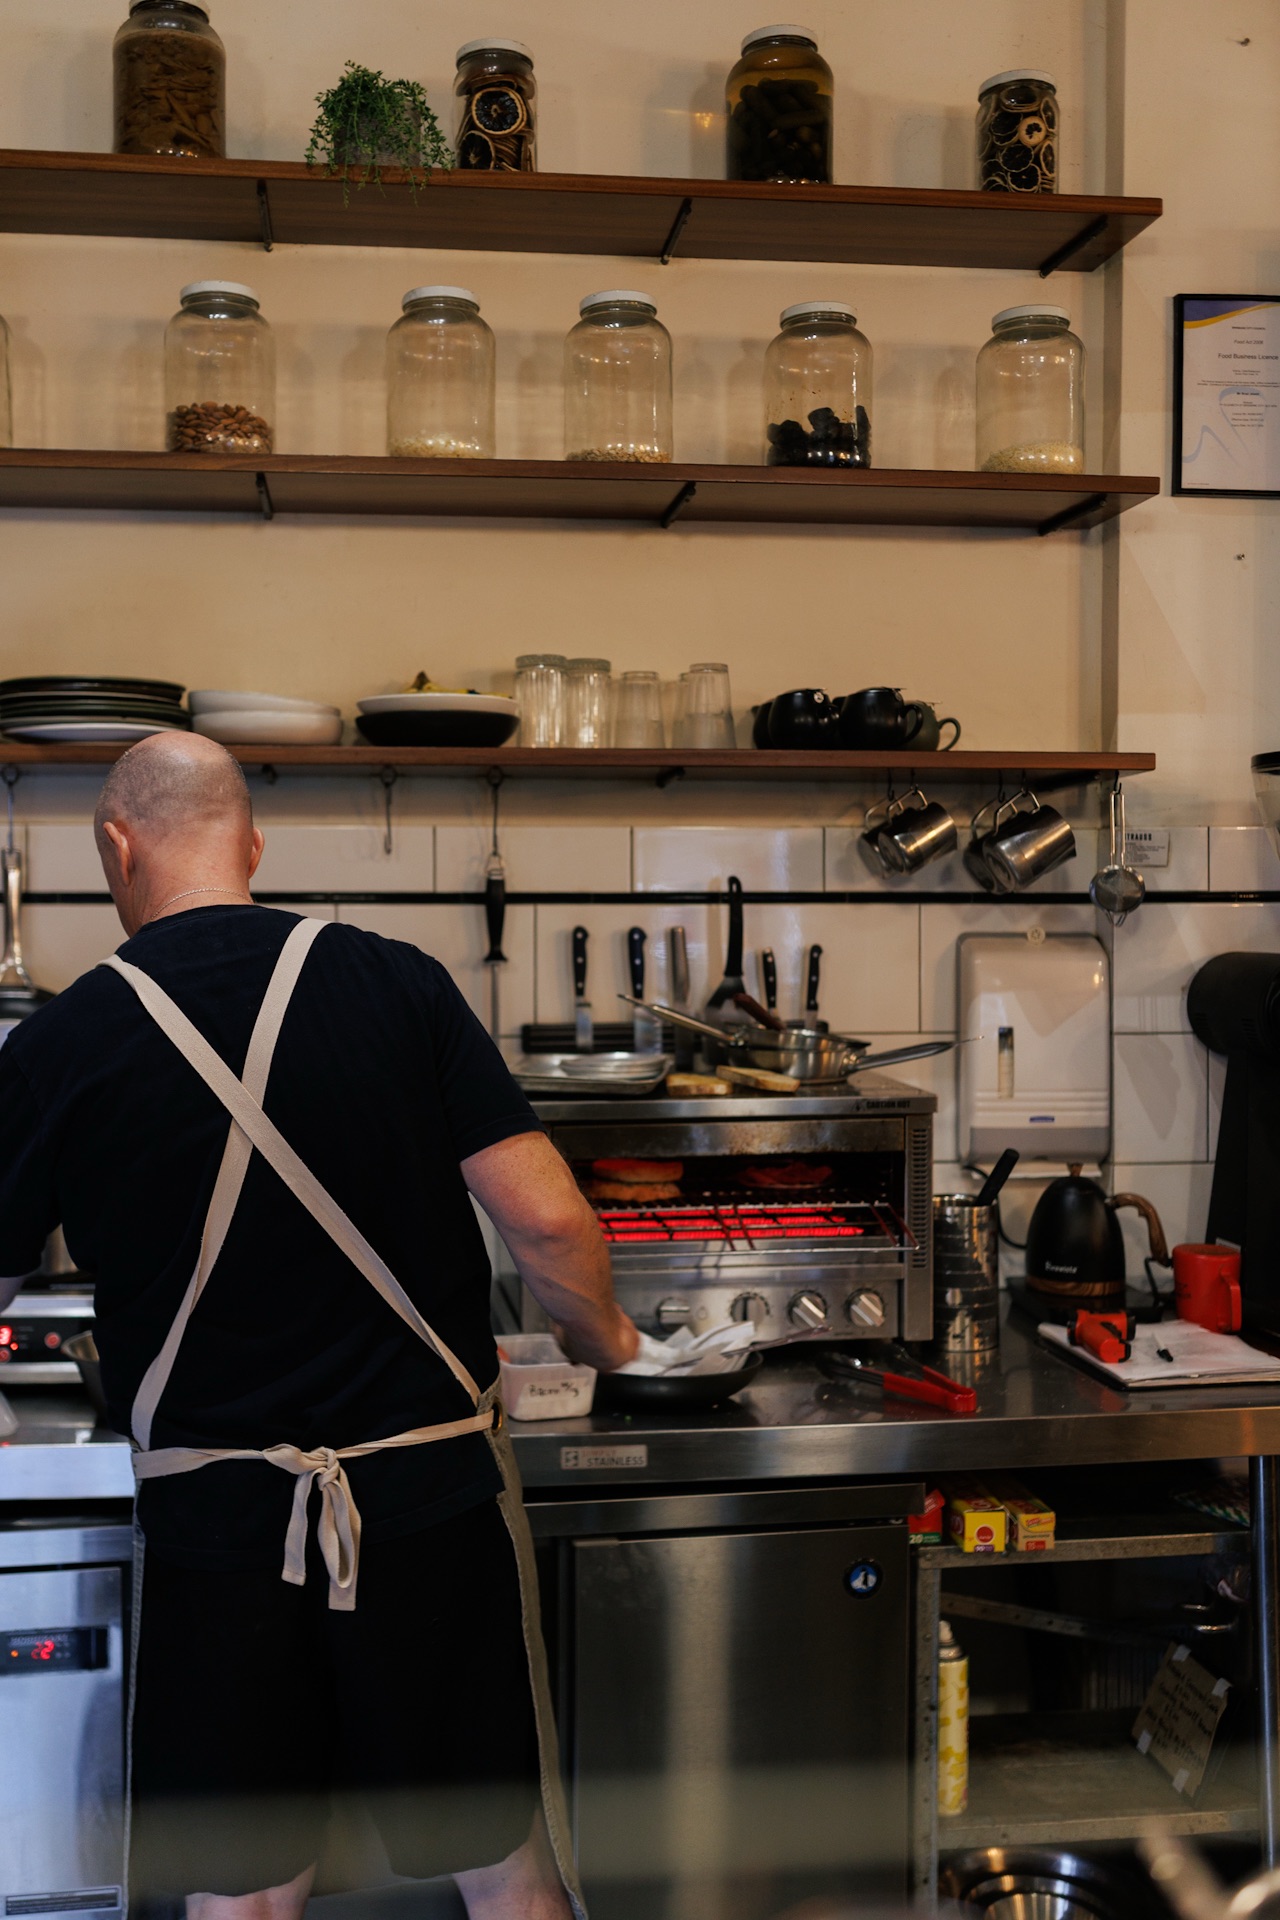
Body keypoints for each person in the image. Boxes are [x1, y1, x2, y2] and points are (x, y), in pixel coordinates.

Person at [0, 732, 638, 1920]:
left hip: (216, 1530)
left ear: (117, 850)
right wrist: (609, 1343)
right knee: (505, 1876)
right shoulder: (398, 983)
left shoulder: (60, 1042)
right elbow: (548, 1222)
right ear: (251, 845)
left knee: (241, 1896)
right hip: (428, 1505)